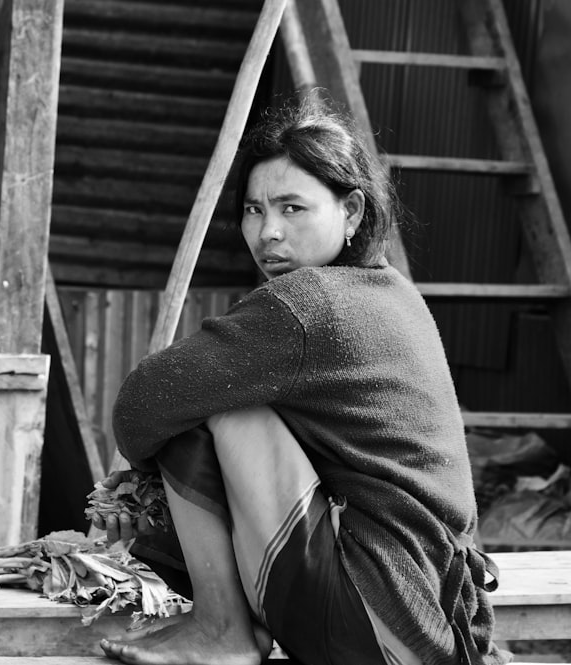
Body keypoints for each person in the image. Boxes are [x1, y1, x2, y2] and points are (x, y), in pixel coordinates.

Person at [92, 94, 509, 665]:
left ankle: (223, 633)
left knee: (204, 405)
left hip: (375, 621)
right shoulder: (393, 292)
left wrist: (136, 484)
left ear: (352, 212)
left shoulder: (308, 304)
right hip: (432, 623)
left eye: (293, 209)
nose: (268, 234)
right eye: (255, 210)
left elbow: (142, 404)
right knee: (213, 394)